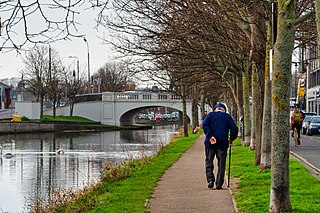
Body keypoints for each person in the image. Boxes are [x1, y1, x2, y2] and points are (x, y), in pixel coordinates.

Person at [202, 103, 238, 190]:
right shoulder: (227, 117)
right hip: (222, 143)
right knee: (221, 163)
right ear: (224, 110)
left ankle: (210, 180)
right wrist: (231, 138)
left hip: (210, 143)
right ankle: (219, 183)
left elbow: (204, 125)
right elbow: (234, 129)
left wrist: (210, 136)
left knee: (209, 161)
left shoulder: (210, 115)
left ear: (215, 109)